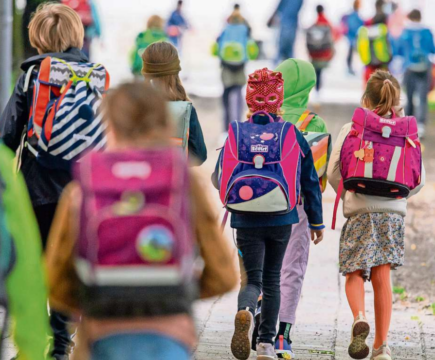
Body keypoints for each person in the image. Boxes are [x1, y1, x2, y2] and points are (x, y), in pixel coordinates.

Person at [45, 81, 238, 360]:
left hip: (101, 336)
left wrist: (101, 301)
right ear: (163, 122)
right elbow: (224, 276)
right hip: (170, 336)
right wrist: (172, 294)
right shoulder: (183, 181)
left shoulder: (85, 185)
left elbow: (54, 282)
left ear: (110, 125)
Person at [0, 4, 105, 359]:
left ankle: (34, 342)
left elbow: (8, 135)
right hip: (84, 192)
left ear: (38, 36)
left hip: (35, 190)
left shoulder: (32, 76)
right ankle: (61, 346)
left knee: (34, 267)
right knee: (67, 267)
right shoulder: (96, 77)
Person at [212, 68, 325, 360]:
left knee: (253, 279)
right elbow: (309, 180)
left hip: (245, 217)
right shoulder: (291, 133)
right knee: (273, 279)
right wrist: (316, 221)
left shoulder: (237, 131)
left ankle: (245, 310)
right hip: (281, 218)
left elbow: (218, 176)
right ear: (279, 102)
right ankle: (264, 344)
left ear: (250, 101)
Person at [327, 70, 426, 360]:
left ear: (365, 99)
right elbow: (417, 180)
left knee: (354, 271)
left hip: (360, 210)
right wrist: (397, 197)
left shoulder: (353, 128)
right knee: (383, 276)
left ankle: (359, 317)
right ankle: (382, 348)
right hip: (392, 215)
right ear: (397, 100)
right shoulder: (407, 132)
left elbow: (334, 172)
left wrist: (349, 197)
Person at [265, 58, 327, 358]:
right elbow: (318, 180)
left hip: (259, 205)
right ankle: (282, 336)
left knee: (263, 267)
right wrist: (317, 221)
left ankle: (257, 325)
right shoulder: (313, 124)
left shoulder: (260, 116)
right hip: (297, 209)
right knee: (292, 270)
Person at [0, 142, 51, 360]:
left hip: (39, 185)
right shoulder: (1, 165)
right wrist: (33, 352)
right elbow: (25, 270)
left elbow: (11, 127)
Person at [141, 41, 207, 165]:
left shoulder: (135, 105)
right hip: (174, 180)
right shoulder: (186, 109)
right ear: (176, 69)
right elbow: (199, 156)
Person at [397, 9, 435, 138]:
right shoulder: (427, 32)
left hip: (409, 68)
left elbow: (399, 51)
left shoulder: (405, 32)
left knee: (409, 97)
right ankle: (421, 125)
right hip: (424, 69)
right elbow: (432, 50)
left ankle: (407, 125)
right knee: (422, 98)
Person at [216, 4, 254, 131]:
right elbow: (251, 47)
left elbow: (217, 46)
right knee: (238, 95)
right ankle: (238, 125)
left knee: (226, 97)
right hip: (240, 67)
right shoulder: (245, 29)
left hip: (226, 67)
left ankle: (225, 128)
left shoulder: (226, 28)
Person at [306, 5, 335, 97]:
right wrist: (332, 51)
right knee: (320, 72)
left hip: (315, 53)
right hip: (323, 53)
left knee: (317, 71)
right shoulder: (326, 23)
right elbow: (331, 38)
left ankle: (317, 90)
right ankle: (318, 90)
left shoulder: (314, 25)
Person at [341, 0, 364, 75]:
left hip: (352, 36)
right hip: (353, 36)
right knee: (351, 52)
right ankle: (350, 68)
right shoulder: (355, 15)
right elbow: (354, 26)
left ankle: (350, 67)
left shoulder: (353, 14)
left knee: (351, 52)